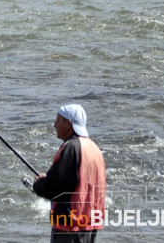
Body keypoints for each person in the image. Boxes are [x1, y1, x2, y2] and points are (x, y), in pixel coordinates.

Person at [32, 104, 106, 242]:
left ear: (68, 124)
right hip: (90, 224)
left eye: (58, 121)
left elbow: (53, 189)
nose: (54, 125)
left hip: (71, 227)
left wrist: (39, 184)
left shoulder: (71, 148)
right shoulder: (94, 148)